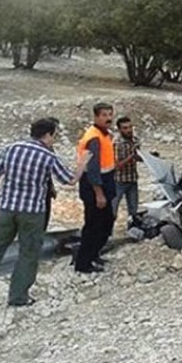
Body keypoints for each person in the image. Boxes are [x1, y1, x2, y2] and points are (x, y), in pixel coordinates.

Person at [0, 118, 89, 311]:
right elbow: (70, 180)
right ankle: (18, 296)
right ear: (48, 134)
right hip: (32, 212)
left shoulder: (11, 148)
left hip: (6, 208)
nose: (54, 140)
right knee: (28, 253)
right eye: (54, 136)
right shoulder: (48, 156)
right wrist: (82, 164)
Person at [75, 102, 116, 273]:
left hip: (105, 182)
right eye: (104, 115)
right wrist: (99, 194)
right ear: (96, 116)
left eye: (110, 114)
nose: (108, 118)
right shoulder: (94, 138)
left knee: (105, 223)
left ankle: (93, 255)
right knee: (93, 225)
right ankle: (83, 263)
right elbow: (92, 169)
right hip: (94, 186)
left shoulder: (104, 134)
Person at [113, 116, 142, 230]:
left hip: (132, 179)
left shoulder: (135, 140)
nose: (129, 130)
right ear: (119, 130)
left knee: (133, 210)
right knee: (113, 210)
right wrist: (132, 156)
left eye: (130, 127)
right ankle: (107, 234)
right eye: (125, 128)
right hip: (118, 181)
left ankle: (133, 231)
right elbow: (117, 165)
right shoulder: (117, 143)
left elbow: (137, 157)